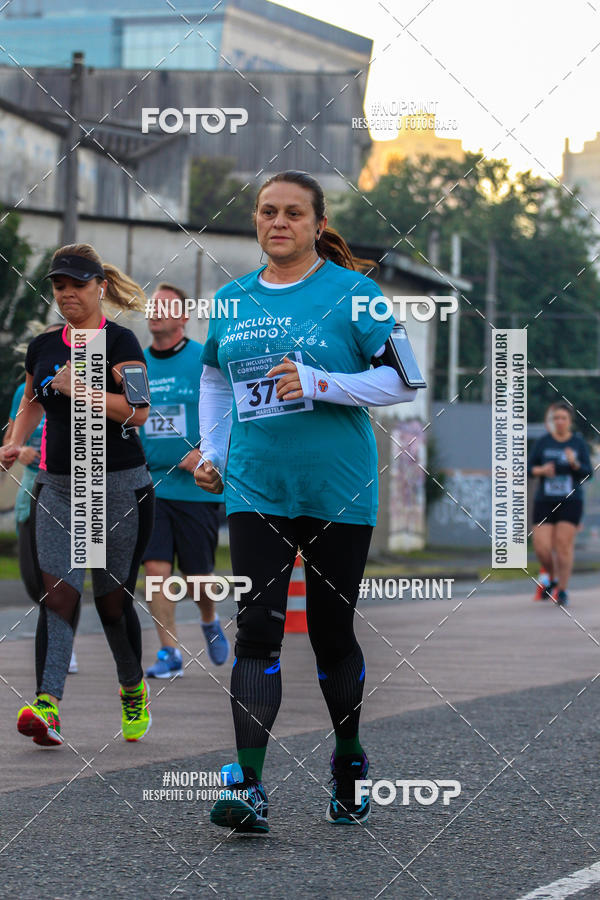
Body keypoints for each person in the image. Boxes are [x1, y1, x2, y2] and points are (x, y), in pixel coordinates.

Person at [194, 170, 419, 832]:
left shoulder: (356, 294)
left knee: (329, 633)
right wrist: (216, 453)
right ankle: (249, 785)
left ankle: (348, 761)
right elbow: (213, 378)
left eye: (293, 212)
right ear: (256, 221)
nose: (278, 222)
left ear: (318, 224)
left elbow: (406, 379)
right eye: (267, 211)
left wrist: (317, 381)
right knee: (258, 627)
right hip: (257, 485)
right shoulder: (231, 300)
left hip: (338, 489)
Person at [0, 243, 155, 747]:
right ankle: (48, 707)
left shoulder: (121, 342)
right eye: (59, 285)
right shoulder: (44, 345)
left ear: (100, 287)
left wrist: (80, 389)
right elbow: (31, 400)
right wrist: (14, 440)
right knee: (58, 596)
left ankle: (132, 689)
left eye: (78, 284)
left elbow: (139, 413)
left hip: (118, 488)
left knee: (112, 604)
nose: (67, 294)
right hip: (58, 488)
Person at [140, 282, 229, 678]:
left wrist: (207, 456)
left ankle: (209, 618)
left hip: (195, 489)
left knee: (197, 579)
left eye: (164, 307)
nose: (155, 312)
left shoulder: (201, 360)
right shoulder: (135, 366)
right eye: (151, 307)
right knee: (156, 570)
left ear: (182, 317)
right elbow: (130, 420)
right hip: (150, 487)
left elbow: (227, 411)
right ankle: (168, 653)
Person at [3, 324, 79, 674]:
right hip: (32, 488)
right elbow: (12, 439)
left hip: (74, 490)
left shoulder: (85, 385)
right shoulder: (27, 389)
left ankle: (62, 641)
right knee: (35, 579)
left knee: (65, 572)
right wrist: (20, 452)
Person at [528, 402, 593, 606]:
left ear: (570, 421)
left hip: (570, 500)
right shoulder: (543, 442)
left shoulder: (577, 443)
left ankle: (562, 590)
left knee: (564, 546)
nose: (559, 422)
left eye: (563, 418)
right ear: (552, 421)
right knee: (541, 547)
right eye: (556, 418)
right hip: (545, 500)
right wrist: (542, 471)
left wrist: (574, 463)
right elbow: (529, 468)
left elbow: (588, 473)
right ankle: (552, 577)